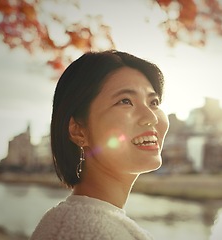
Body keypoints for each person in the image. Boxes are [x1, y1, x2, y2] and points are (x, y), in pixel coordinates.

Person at [31, 50, 169, 240]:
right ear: (79, 130)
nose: (151, 117)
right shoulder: (80, 231)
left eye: (154, 102)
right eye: (125, 101)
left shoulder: (80, 221)